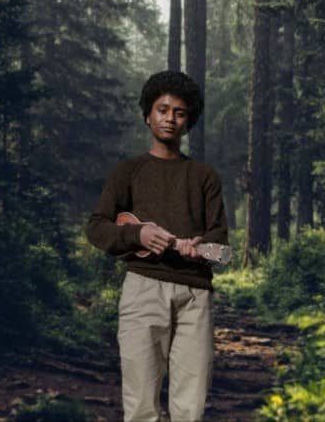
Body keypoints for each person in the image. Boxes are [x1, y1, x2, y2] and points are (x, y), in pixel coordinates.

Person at [86, 71, 228, 422]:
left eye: (179, 112)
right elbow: (97, 228)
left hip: (196, 297)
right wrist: (139, 235)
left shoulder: (204, 176)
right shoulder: (129, 171)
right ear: (148, 115)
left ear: (188, 121)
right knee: (140, 405)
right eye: (162, 109)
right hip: (143, 289)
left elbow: (222, 249)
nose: (170, 118)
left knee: (190, 407)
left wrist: (201, 248)